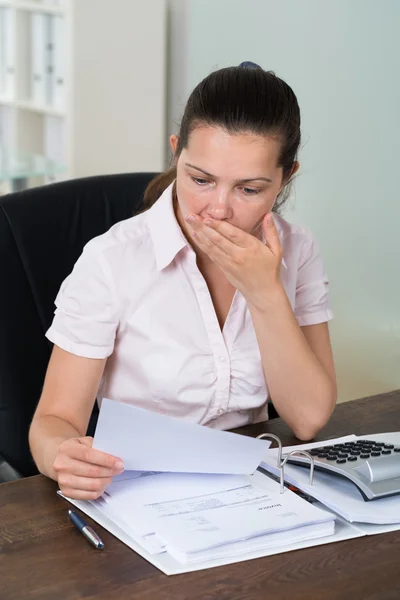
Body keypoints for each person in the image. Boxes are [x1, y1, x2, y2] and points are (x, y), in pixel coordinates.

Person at [29, 63, 337, 500]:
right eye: (200, 180)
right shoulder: (112, 259)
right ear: (177, 153)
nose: (218, 209)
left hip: (251, 487)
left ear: (285, 178)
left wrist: (265, 292)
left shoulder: (298, 250)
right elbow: (53, 421)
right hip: (136, 491)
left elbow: (308, 418)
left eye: (248, 189)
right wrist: (64, 455)